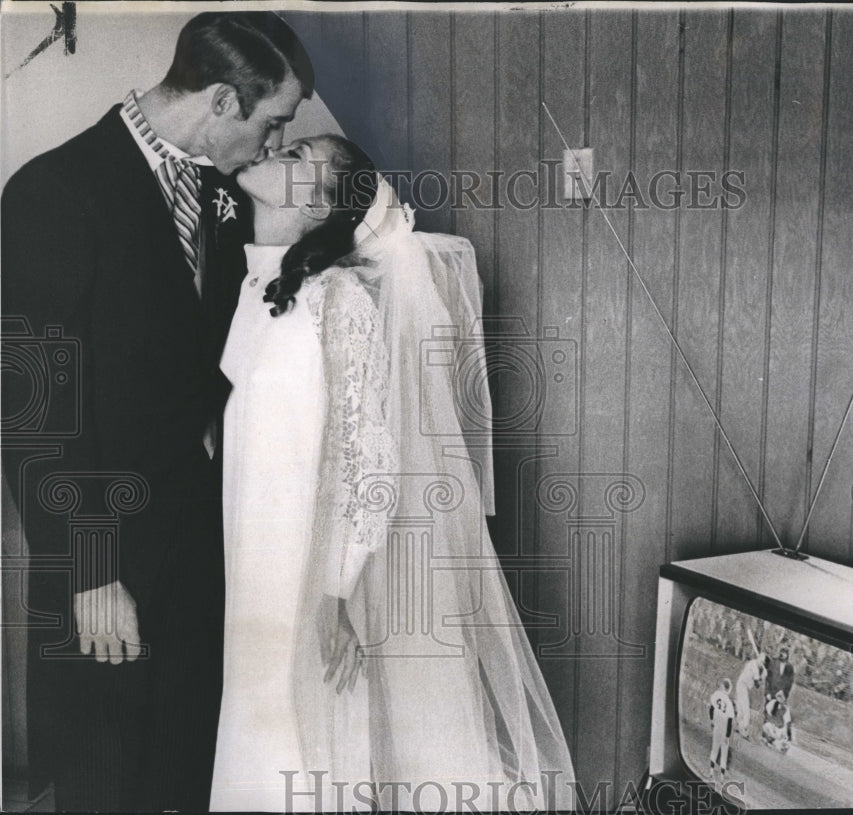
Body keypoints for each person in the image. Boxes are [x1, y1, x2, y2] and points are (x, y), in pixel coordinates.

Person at [209, 134, 576, 812]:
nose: (275, 151)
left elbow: (368, 455)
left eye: (297, 158)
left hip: (308, 572)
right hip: (251, 558)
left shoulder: (338, 301)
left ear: (320, 205)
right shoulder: (253, 285)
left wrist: (340, 590)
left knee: (307, 744)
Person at [0, 12, 312, 810]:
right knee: (106, 787)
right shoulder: (53, 190)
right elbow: (33, 411)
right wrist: (90, 570)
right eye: (272, 123)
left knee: (185, 776)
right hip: (103, 561)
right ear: (220, 102)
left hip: (200, 552)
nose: (275, 146)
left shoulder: (229, 193)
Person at [708, 678, 736, 785]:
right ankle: (722, 777)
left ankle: (711, 772)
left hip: (717, 725)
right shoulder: (729, 703)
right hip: (724, 727)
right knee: (724, 752)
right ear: (728, 689)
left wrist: (711, 720)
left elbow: (711, 708)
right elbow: (730, 721)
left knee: (714, 749)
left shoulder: (716, 695)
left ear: (723, 687)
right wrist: (727, 735)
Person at [735, 653, 767, 738]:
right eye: (761, 661)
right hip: (742, 685)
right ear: (758, 658)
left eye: (763, 662)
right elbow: (757, 684)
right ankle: (743, 728)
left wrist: (763, 674)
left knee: (740, 708)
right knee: (745, 709)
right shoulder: (754, 665)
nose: (761, 663)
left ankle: (738, 726)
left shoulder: (758, 666)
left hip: (744, 686)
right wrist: (761, 677)